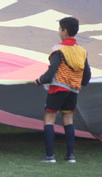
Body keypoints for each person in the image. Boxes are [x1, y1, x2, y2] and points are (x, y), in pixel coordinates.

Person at [34, 17, 91, 163]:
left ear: (64, 31)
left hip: (58, 88)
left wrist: (40, 80)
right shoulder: (82, 51)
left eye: (60, 29)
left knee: (49, 119)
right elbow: (87, 75)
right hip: (73, 90)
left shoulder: (59, 49)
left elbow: (52, 70)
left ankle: (49, 156)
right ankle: (70, 156)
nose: (59, 32)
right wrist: (79, 83)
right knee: (68, 119)